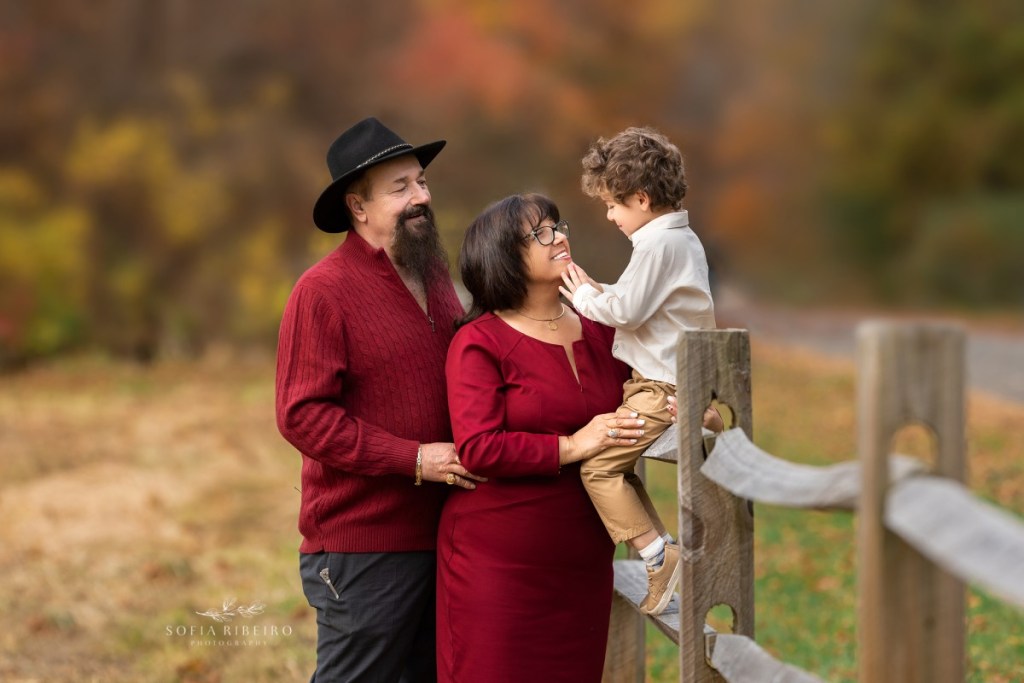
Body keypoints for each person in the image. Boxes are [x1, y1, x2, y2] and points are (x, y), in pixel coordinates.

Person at [276, 117, 484, 682]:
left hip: (443, 534)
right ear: (358, 207)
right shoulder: (321, 293)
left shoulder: (434, 275)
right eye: (401, 188)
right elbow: (302, 417)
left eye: (420, 182)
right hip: (363, 547)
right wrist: (415, 459)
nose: (421, 197)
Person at [439, 193, 649, 683]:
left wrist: (680, 406)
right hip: (498, 566)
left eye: (557, 225)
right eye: (539, 233)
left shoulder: (600, 327)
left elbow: (643, 387)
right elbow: (480, 446)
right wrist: (574, 446)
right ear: (502, 256)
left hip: (582, 563)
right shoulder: (479, 341)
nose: (558, 237)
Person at [559, 126, 719, 617]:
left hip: (661, 386)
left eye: (613, 204)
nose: (609, 216)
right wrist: (598, 291)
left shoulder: (658, 247)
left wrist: (584, 296)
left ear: (642, 199)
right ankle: (662, 551)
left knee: (599, 467)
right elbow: (642, 304)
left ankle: (659, 555)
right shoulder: (675, 241)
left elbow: (627, 312)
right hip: (660, 380)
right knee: (616, 467)